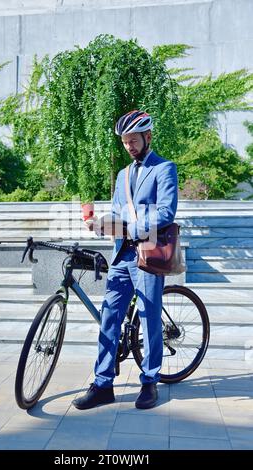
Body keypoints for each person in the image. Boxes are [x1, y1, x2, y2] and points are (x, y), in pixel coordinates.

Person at [72, 110, 178, 410]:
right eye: (124, 142)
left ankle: (149, 380)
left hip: (148, 253)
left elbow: (165, 213)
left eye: (134, 140)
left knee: (148, 317)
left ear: (148, 137)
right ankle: (103, 384)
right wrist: (102, 224)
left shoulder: (164, 169)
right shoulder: (122, 174)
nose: (129, 146)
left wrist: (130, 227)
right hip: (122, 255)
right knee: (109, 317)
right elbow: (119, 213)